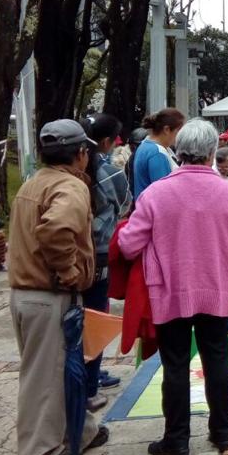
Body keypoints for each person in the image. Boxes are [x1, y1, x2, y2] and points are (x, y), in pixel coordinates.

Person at [118, 118, 228, 455]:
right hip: (218, 291)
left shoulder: (155, 193)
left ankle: (177, 440)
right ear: (212, 152)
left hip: (169, 293)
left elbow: (128, 246)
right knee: (217, 359)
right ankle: (222, 432)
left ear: (178, 151)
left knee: (176, 366)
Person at [7, 119, 108, 455]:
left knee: (64, 374)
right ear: (81, 154)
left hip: (29, 295)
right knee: (46, 383)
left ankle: (80, 431)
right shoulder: (69, 187)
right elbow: (55, 231)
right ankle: (42, 450)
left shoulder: (36, 182)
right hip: (48, 296)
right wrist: (69, 271)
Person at [80, 113, 131, 411]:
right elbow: (125, 205)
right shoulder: (111, 173)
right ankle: (90, 384)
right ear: (107, 142)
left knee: (73, 322)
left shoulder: (50, 176)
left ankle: (83, 381)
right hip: (99, 256)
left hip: (66, 258)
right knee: (96, 318)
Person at [133, 108, 186, 199]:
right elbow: (163, 193)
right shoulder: (157, 153)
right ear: (167, 129)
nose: (180, 135)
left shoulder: (146, 146)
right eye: (178, 131)